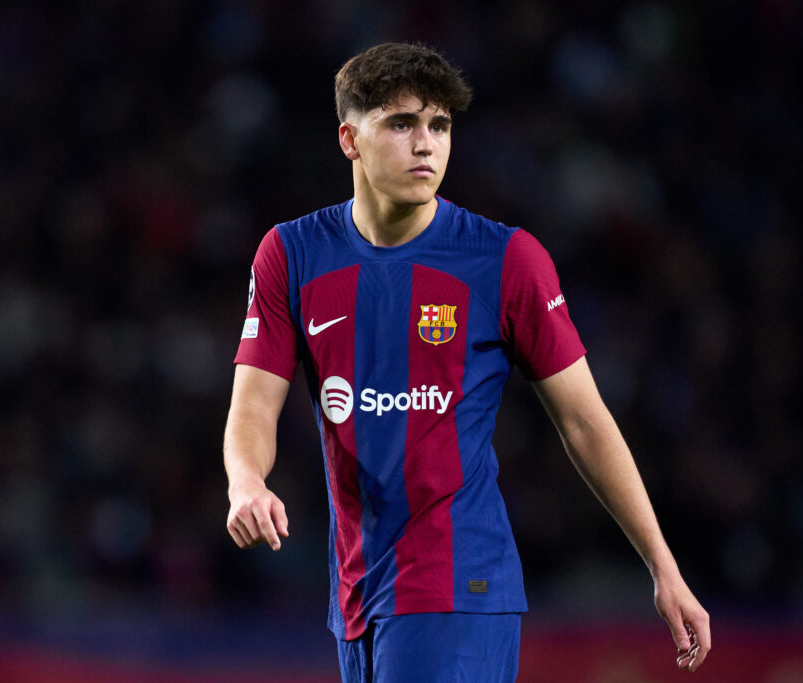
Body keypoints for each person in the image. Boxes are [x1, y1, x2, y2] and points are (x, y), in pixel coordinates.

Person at [223, 42, 710, 681]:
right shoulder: (291, 253)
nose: (426, 143)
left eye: (440, 126)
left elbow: (585, 422)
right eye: (402, 123)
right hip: (356, 595)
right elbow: (254, 404)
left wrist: (663, 569)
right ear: (350, 139)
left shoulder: (505, 259)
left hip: (460, 584)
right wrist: (246, 482)